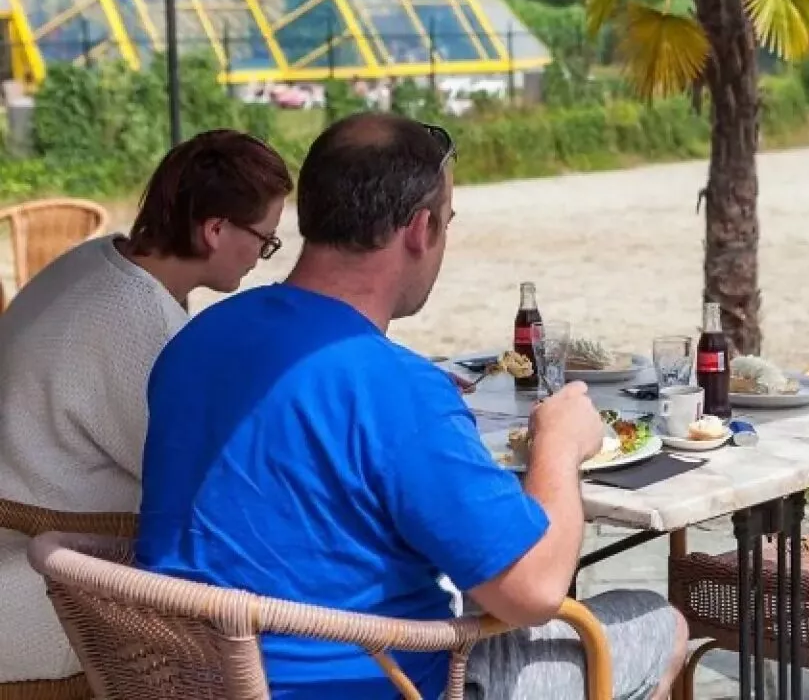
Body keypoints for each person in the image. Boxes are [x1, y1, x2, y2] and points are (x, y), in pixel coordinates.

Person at [137, 114, 686, 700]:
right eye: (447, 221)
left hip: (191, 678)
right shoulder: (396, 387)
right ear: (421, 230)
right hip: (386, 685)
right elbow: (533, 591)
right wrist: (560, 444)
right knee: (660, 624)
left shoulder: (197, 340)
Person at [0, 129, 292, 686]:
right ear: (215, 230)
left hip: (36, 555)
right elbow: (210, 489)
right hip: (48, 594)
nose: (262, 256)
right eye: (265, 240)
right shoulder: (145, 324)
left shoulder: (94, 261)